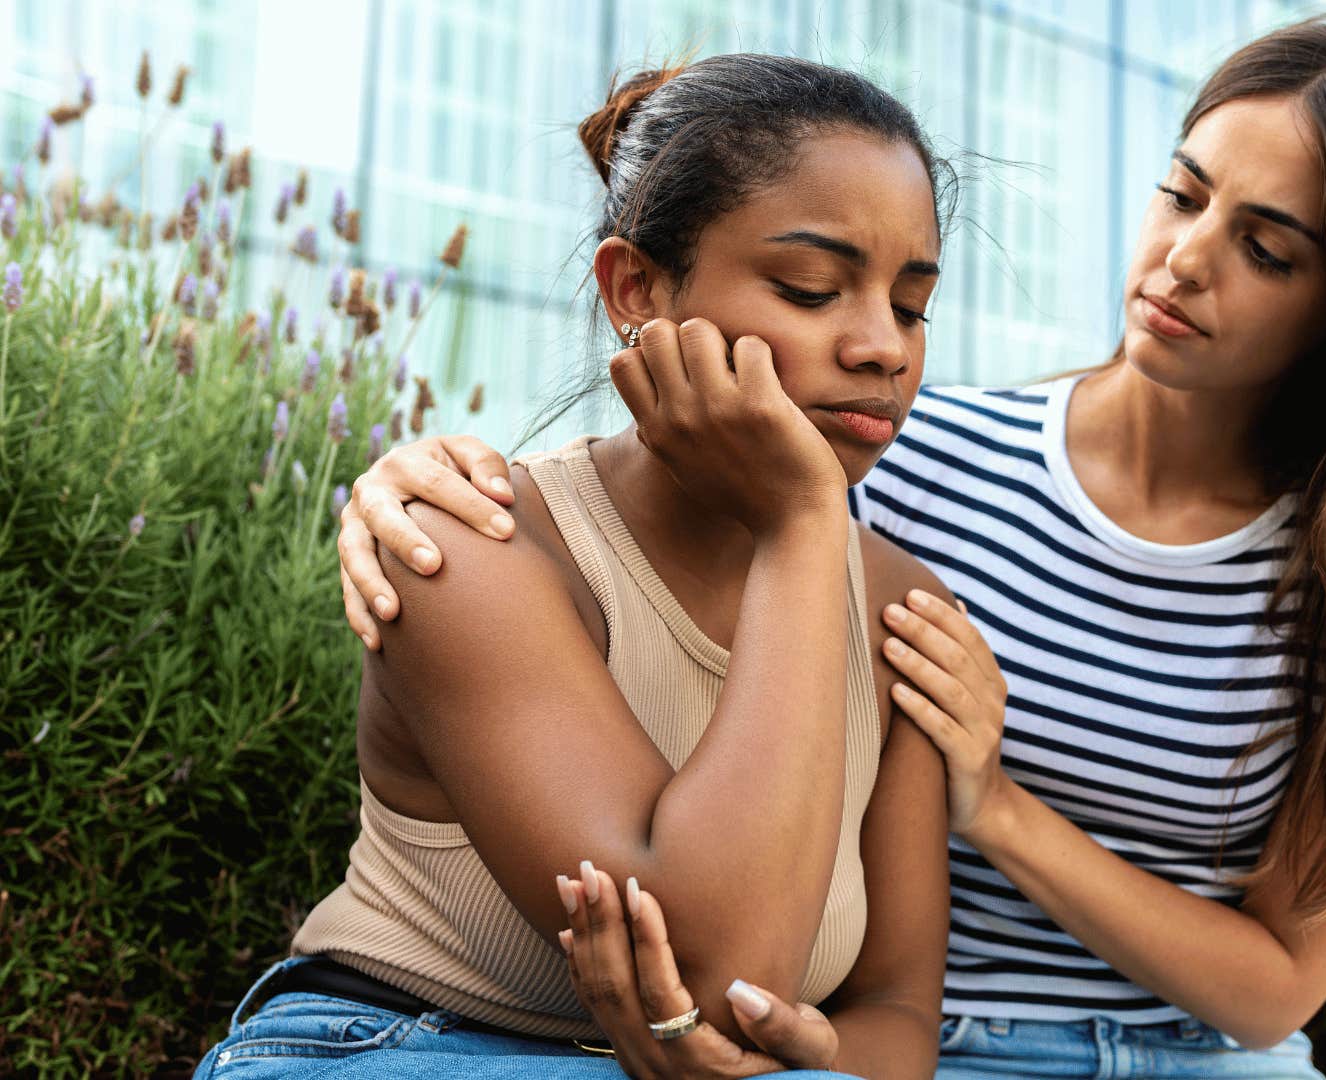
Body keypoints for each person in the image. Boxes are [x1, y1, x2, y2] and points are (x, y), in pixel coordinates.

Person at [336, 16, 1326, 1078]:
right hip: (951, 1044)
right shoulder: (892, 461)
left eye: (1269, 249)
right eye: (1182, 194)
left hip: (1200, 1056)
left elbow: (1275, 982)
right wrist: (404, 479)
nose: (1182, 258)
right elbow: (667, 498)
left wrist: (996, 802)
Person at [198, 54, 967, 1080]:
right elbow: (712, 967)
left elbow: (899, 1018)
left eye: (912, 306)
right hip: (398, 1047)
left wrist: (799, 1058)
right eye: (812, 289)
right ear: (635, 289)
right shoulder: (469, 543)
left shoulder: (902, 610)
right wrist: (801, 523)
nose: (883, 347)